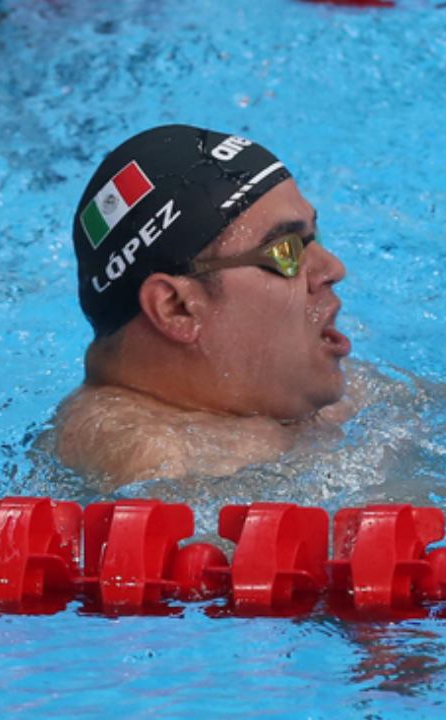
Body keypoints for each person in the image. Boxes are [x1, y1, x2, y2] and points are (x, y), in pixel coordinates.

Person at [53, 124, 356, 485]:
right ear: (176, 308)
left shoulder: (282, 395)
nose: (333, 269)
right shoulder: (150, 459)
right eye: (284, 251)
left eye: (314, 237)